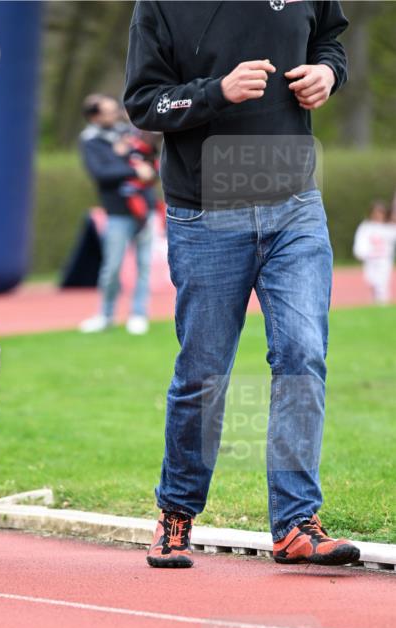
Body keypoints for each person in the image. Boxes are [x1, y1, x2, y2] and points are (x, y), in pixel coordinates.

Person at [124, 0, 360, 568]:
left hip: (295, 208)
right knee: (204, 372)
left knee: (302, 355)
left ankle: (296, 523)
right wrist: (216, 92)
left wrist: (328, 73)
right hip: (205, 214)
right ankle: (176, 514)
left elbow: (330, 41)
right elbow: (143, 102)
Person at [78, 94, 157, 336]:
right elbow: (101, 173)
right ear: (94, 116)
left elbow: (151, 162)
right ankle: (106, 314)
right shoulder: (90, 141)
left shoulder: (131, 133)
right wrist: (128, 163)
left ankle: (138, 314)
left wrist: (144, 165)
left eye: (116, 109)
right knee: (112, 267)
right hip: (117, 211)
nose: (116, 114)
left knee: (145, 265)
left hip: (145, 208)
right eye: (109, 111)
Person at [352, 201, 396, 304]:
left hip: (384, 260)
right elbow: (360, 240)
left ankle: (382, 303)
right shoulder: (366, 226)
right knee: (371, 281)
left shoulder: (389, 227)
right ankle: (377, 302)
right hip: (370, 260)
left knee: (382, 283)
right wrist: (360, 252)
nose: (378, 215)